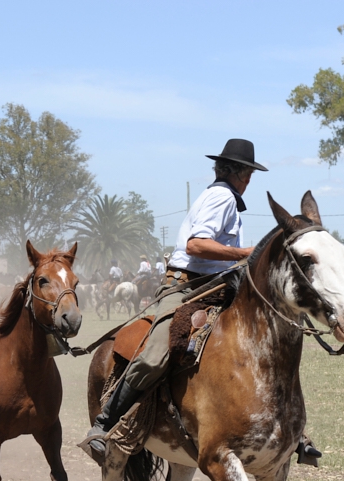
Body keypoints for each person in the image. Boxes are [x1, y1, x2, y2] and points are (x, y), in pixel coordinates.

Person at [82, 138, 266, 461]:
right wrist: (243, 253)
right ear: (235, 173)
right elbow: (196, 245)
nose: (248, 180)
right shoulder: (222, 197)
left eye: (249, 174)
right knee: (155, 353)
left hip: (217, 287)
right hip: (187, 288)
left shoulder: (228, 200)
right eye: (246, 173)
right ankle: (105, 422)